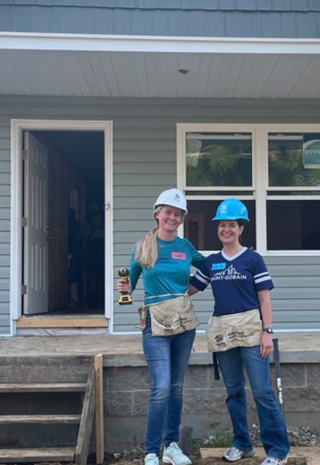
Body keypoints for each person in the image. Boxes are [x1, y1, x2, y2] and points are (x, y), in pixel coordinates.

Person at [188, 198, 289, 465]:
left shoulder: (253, 259)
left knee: (262, 391)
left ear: (241, 228)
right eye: (222, 225)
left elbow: (265, 298)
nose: (226, 229)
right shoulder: (211, 263)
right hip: (223, 332)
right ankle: (242, 444)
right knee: (234, 392)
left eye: (232, 225)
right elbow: (189, 289)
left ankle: (277, 451)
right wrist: (161, 275)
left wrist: (267, 331)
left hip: (252, 332)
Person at [116, 188, 204, 465]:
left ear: (182, 219)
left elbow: (210, 268)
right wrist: (124, 287)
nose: (172, 217)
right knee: (162, 387)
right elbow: (129, 284)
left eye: (178, 214)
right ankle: (152, 451)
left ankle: (171, 447)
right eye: (168, 212)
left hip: (183, 322)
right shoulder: (142, 247)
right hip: (154, 324)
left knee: (177, 386)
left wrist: (188, 292)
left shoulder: (186, 247)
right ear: (157, 213)